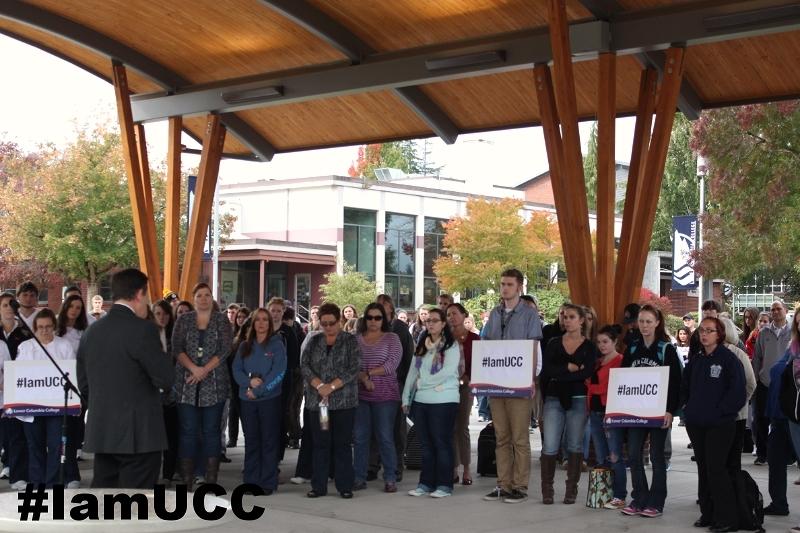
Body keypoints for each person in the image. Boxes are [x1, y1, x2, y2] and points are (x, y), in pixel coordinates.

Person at [77, 268, 174, 488]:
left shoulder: (92, 332)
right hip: (140, 434)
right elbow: (166, 378)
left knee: (103, 503)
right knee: (135, 506)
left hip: (103, 430)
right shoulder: (143, 330)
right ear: (140, 294)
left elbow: (83, 383)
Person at [481, 268, 543, 504]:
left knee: (519, 438)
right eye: (502, 284)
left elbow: (533, 350)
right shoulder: (495, 314)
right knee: (501, 436)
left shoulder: (529, 315)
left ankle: (520, 486)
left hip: (519, 382)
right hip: (497, 382)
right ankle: (502, 483)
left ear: (519, 287)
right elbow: (486, 346)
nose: (504, 288)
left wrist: (531, 380)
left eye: (509, 284)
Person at [681, 316, 746, 531]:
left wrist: (721, 412)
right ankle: (707, 514)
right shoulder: (697, 360)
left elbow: (738, 392)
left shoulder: (729, 359)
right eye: (702, 331)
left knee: (717, 470)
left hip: (720, 425)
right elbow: (685, 387)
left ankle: (726, 519)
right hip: (697, 423)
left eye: (709, 331)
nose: (704, 334)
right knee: (703, 469)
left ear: (719, 334)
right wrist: (687, 410)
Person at [620, 304, 682, 518]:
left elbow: (675, 383)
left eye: (648, 321)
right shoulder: (632, 348)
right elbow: (623, 380)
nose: (644, 325)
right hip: (636, 411)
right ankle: (639, 498)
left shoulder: (666, 349)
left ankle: (656, 502)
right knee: (635, 455)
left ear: (657, 323)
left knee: (656, 457)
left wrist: (670, 411)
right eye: (641, 321)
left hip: (658, 412)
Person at [171, 282, 232, 490]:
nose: (203, 299)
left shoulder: (221, 320)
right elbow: (176, 347)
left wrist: (204, 369)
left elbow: (225, 349)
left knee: (211, 431)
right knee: (188, 431)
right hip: (187, 384)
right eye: (199, 295)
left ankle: (210, 478)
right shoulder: (183, 320)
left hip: (214, 384)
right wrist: (193, 369)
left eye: (207, 295)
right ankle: (187, 479)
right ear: (194, 298)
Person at [301, 302, 361, 498]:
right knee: (321, 443)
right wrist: (320, 386)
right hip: (320, 405)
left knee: (342, 444)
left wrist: (331, 387)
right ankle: (318, 486)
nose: (327, 327)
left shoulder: (350, 341)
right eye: (324, 323)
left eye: (331, 323)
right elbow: (305, 365)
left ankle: (345, 486)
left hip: (343, 404)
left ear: (339, 321)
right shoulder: (313, 340)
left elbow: (353, 368)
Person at [539, 304, 597, 505]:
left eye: (571, 316)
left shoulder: (589, 346)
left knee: (574, 444)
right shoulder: (554, 343)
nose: (567, 320)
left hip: (578, 398)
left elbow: (587, 372)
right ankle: (547, 489)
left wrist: (561, 373)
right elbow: (547, 370)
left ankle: (571, 489)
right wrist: (569, 367)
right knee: (550, 444)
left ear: (581, 320)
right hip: (554, 397)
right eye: (564, 316)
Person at [402, 307, 460, 498]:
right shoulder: (422, 345)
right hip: (422, 400)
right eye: (428, 321)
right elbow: (413, 370)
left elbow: (447, 372)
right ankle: (425, 483)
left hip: (444, 400)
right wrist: (406, 396)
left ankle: (444, 485)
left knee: (441, 442)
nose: (431, 323)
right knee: (426, 444)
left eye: (435, 320)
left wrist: (422, 383)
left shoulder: (451, 346)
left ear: (443, 323)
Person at [17, 309, 78, 487]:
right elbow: (19, 377)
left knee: (56, 446)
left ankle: (52, 484)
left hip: (57, 407)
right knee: (34, 446)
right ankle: (37, 485)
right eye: (40, 327)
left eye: (48, 327)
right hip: (31, 407)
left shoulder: (64, 346)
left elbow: (72, 373)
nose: (44, 330)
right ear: (35, 328)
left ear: (54, 327)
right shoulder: (26, 347)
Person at [233, 308, 286, 495]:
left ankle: (267, 482)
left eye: (265, 320)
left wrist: (260, 390)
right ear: (253, 323)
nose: (261, 323)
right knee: (252, 440)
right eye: (258, 320)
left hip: (269, 400)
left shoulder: (276, 345)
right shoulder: (244, 346)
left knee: (269, 441)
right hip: (247, 400)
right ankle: (251, 480)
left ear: (269, 323)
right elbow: (236, 370)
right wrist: (249, 383)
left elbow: (279, 372)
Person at [352, 303, 402, 493]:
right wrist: (363, 377)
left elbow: (392, 365)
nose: (373, 321)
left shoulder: (392, 338)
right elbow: (351, 366)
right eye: (370, 317)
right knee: (360, 438)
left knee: (385, 437)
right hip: (362, 396)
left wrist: (369, 374)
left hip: (386, 396)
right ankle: (359, 477)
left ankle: (390, 477)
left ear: (384, 319)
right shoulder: (356, 340)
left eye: (377, 317)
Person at [370, 294, 415, 483]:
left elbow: (408, 359)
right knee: (374, 428)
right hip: (372, 386)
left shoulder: (400, 329)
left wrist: (405, 388)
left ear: (390, 310)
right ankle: (372, 466)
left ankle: (396, 467)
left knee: (396, 429)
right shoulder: (368, 328)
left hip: (396, 385)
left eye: (384, 307)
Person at [761, 310, 800, 518]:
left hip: (796, 416)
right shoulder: (793, 347)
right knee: (775, 458)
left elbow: (778, 371)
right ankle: (778, 503)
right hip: (780, 412)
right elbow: (775, 370)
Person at [586, 325, 626, 509]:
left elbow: (610, 387)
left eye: (605, 342)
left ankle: (619, 495)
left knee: (615, 455)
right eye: (599, 342)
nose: (601, 345)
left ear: (615, 342)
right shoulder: (598, 362)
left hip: (610, 413)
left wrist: (590, 387)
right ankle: (605, 493)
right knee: (602, 456)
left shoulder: (620, 361)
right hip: (595, 412)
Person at [752, 300, 792, 466]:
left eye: (778, 309)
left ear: (786, 310)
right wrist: (755, 380)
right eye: (772, 310)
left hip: (787, 384)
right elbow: (757, 358)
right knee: (760, 420)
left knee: (786, 421)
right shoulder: (763, 333)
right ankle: (762, 454)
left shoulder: (794, 332)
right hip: (765, 383)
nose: (775, 312)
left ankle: (789, 455)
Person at [55, 294, 90, 485]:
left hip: (78, 386)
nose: (74, 310)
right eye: (72, 306)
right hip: (55, 386)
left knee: (74, 430)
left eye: (78, 307)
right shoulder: (56, 330)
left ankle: (72, 473)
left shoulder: (84, 332)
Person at [0, 292, 33, 488]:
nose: (9, 308)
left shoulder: (26, 335)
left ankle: (18, 474)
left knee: (17, 435)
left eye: (12, 304)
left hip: (19, 393)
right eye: (4, 305)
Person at [446, 303, 480, 486]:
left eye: (455, 313)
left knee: (462, 427)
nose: (452, 317)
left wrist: (468, 377)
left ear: (464, 315)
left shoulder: (474, 338)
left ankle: (467, 468)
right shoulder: (444, 338)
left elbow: (480, 363)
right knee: (450, 428)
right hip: (447, 386)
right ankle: (453, 468)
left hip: (466, 386)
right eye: (449, 314)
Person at [152, 299, 178, 484]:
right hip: (152, 394)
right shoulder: (147, 338)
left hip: (172, 394)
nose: (162, 317)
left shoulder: (174, 339)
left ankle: (169, 473)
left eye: (166, 314)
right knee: (153, 438)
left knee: (171, 435)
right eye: (158, 314)